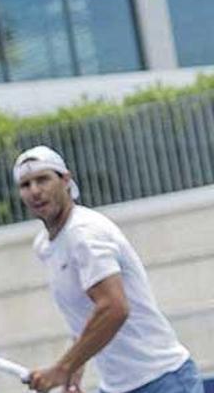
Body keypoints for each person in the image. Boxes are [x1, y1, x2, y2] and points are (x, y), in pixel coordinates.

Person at [13, 146, 201, 393]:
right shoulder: (45, 245)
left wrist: (62, 369)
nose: (35, 190)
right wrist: (74, 375)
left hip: (163, 381)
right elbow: (83, 316)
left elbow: (114, 307)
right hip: (115, 388)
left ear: (66, 180)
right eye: (26, 184)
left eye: (43, 179)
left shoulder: (85, 234)